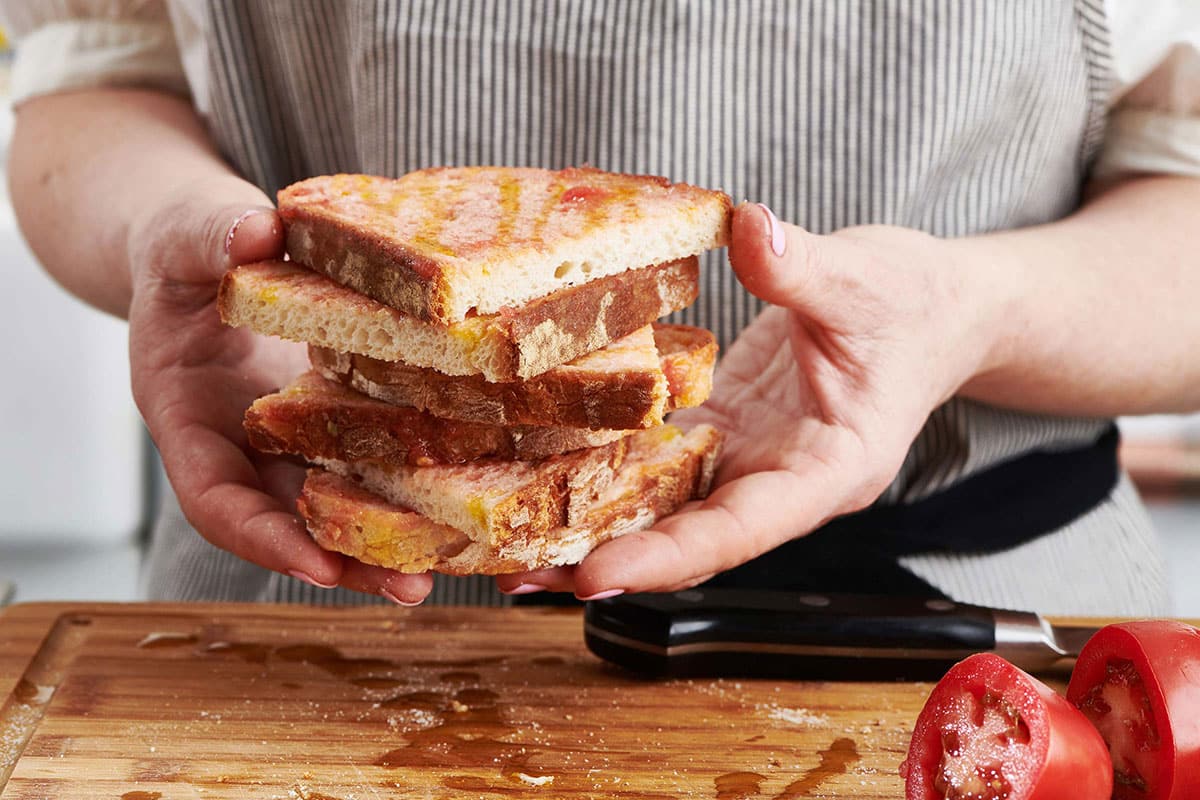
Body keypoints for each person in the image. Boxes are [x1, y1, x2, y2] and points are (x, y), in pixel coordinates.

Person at [2, 1, 1197, 614]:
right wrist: (175, 229)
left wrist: (971, 312)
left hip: (969, 639)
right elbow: (91, 77)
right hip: (316, 598)